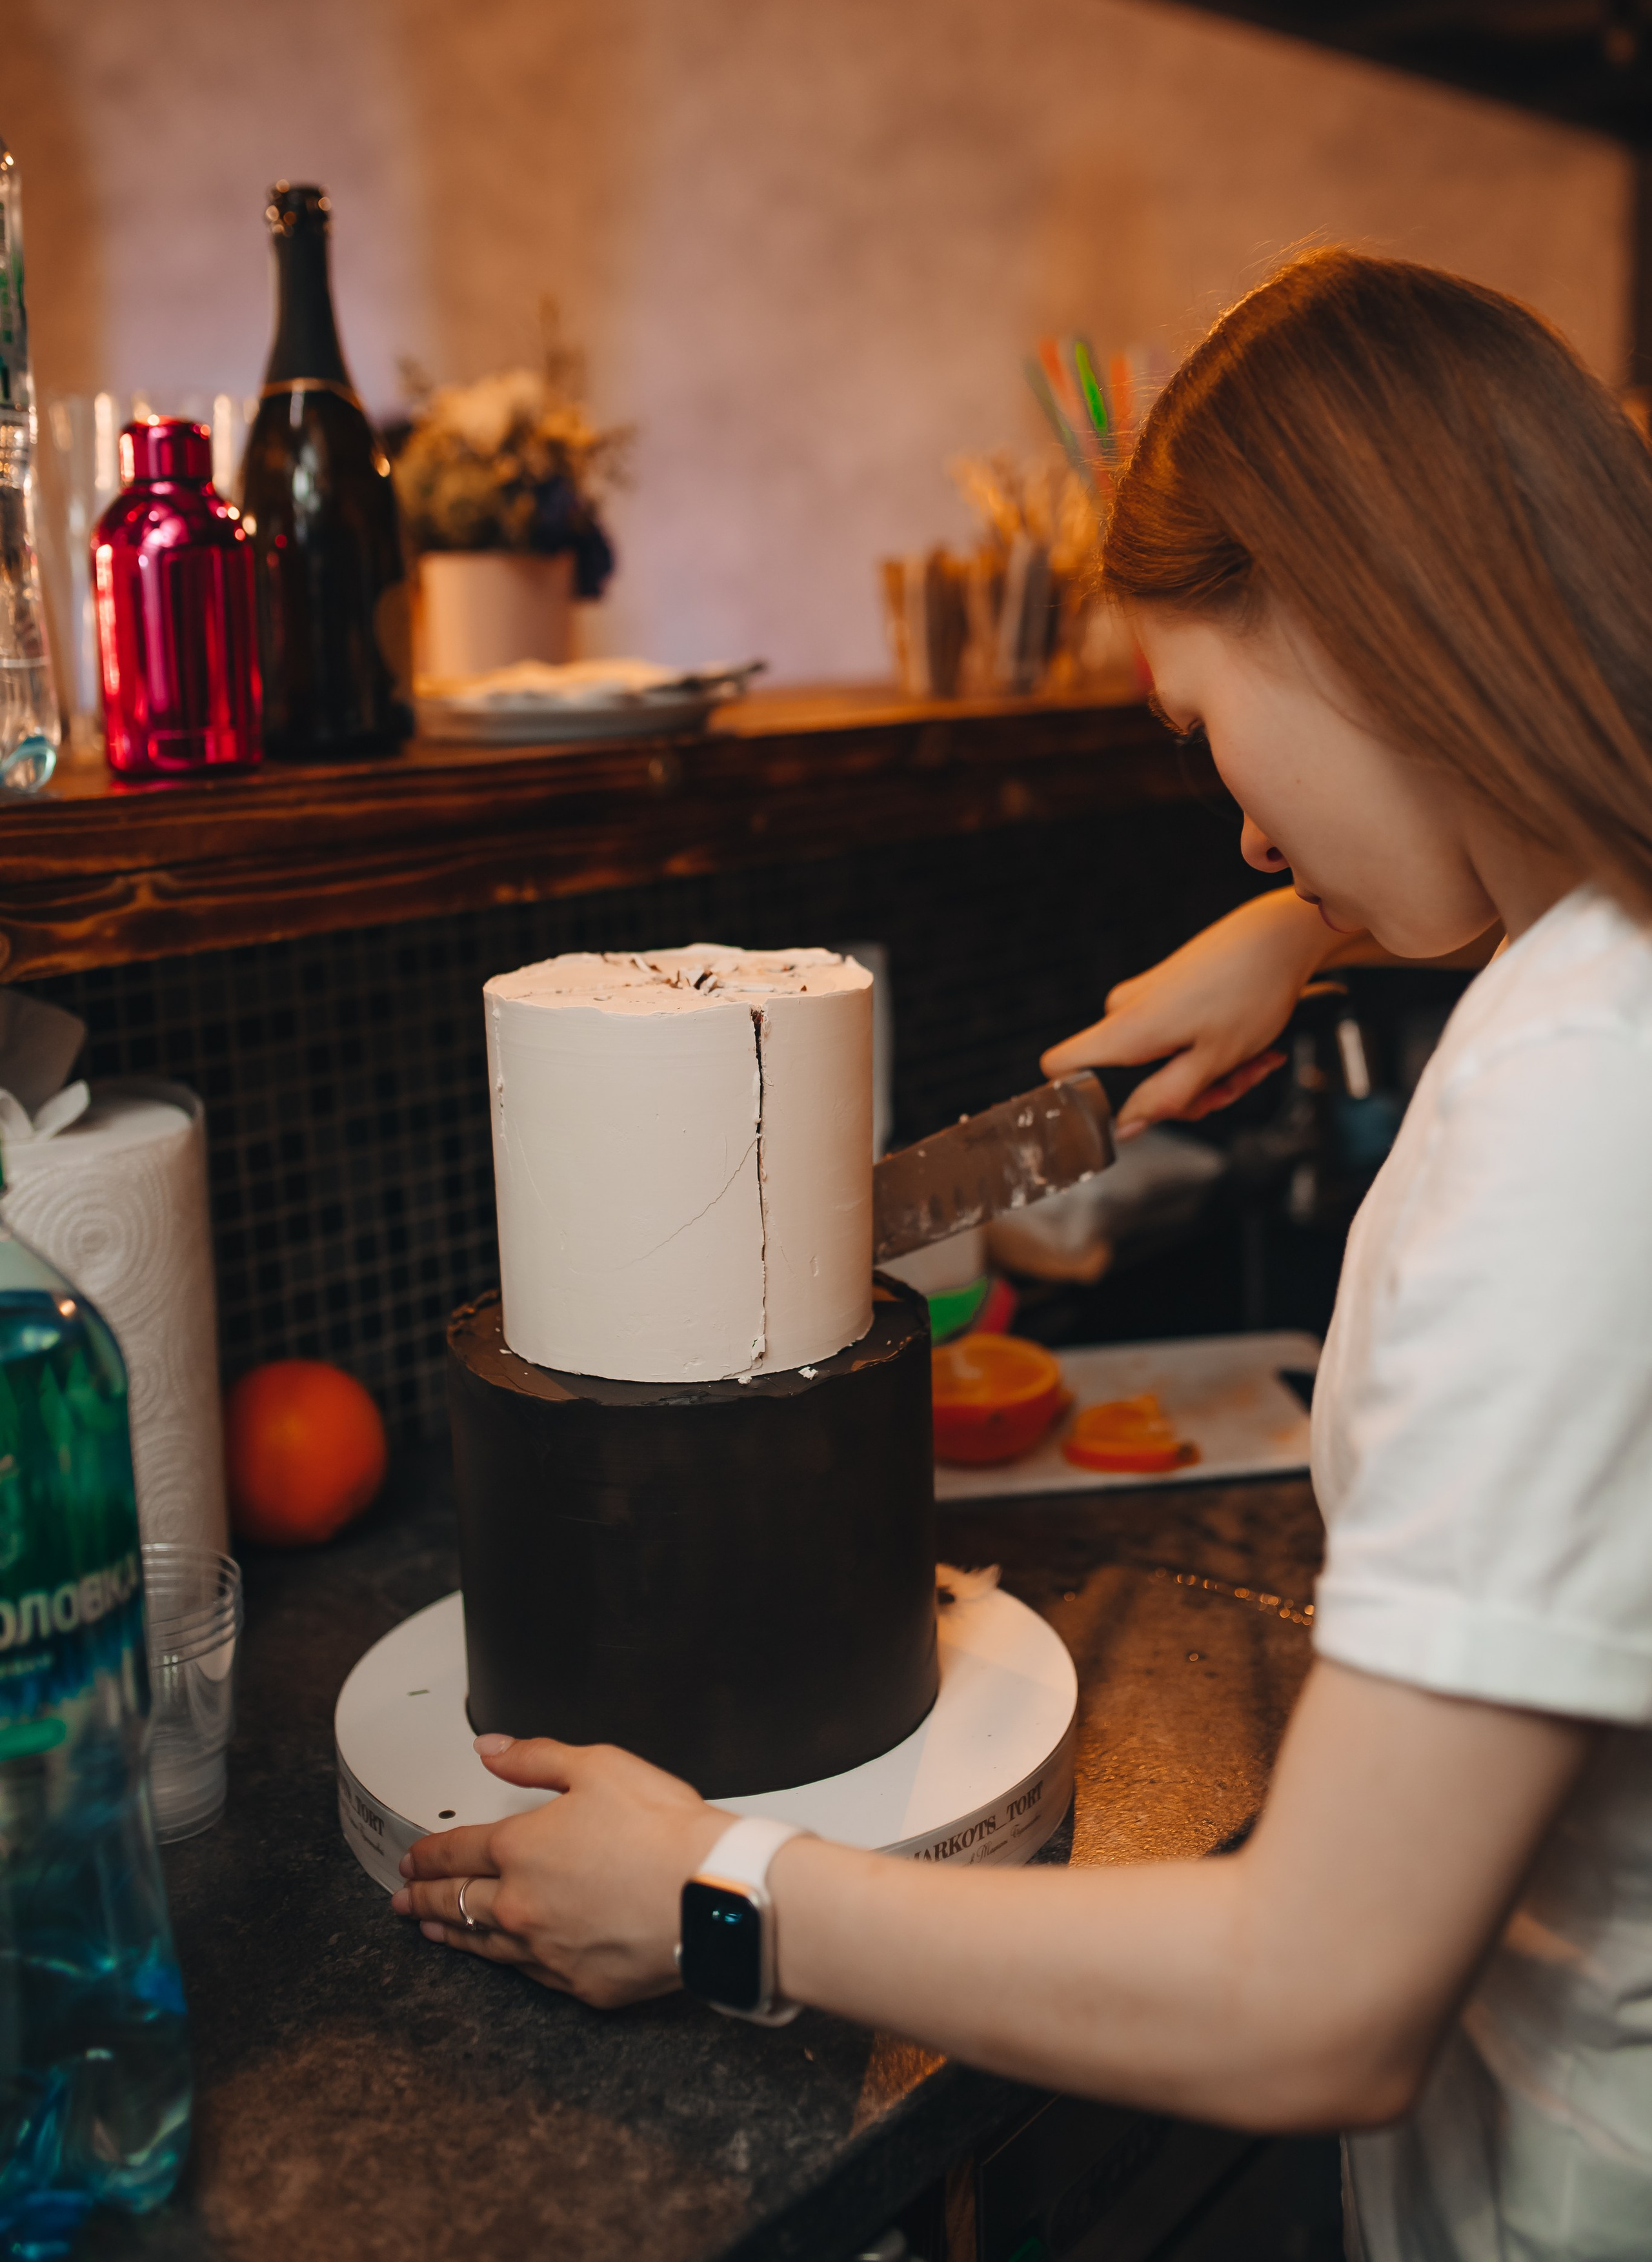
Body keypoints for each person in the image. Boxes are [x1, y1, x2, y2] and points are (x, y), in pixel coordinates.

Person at [394, 250, 1652, 2261]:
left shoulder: (1577, 1106)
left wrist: (724, 1898)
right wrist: (1330, 919)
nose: (1236, 828)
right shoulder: (1599, 964)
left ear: (1368, 618)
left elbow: (1318, 2002)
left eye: (1202, 725)